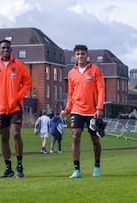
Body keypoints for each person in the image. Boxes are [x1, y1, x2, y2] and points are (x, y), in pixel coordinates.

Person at [0, 39, 31, 178]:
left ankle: (19, 165)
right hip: (1, 107)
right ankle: (8, 168)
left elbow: (27, 82)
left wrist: (19, 96)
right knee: (4, 137)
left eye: (8, 48)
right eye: (3, 48)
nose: (6, 50)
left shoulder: (19, 65)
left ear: (11, 50)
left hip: (15, 107)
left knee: (16, 134)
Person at [60, 44, 105, 178]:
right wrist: (67, 109)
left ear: (87, 55)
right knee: (75, 136)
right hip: (77, 110)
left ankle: (97, 167)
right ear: (75, 56)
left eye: (83, 54)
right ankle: (76, 170)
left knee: (94, 140)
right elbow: (70, 93)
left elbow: (101, 89)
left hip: (93, 111)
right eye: (78, 54)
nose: (80, 56)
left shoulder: (95, 70)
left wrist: (100, 108)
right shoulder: (71, 73)